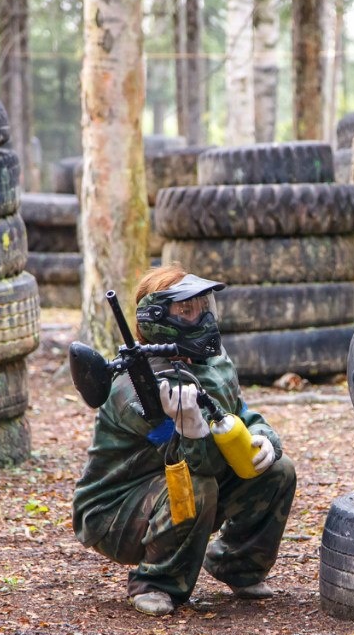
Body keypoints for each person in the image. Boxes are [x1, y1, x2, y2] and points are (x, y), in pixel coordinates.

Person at [72, 264, 297, 616]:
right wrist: (189, 428)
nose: (204, 318)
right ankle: (156, 583)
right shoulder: (136, 390)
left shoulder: (210, 363)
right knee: (195, 486)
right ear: (157, 318)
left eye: (204, 306)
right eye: (188, 311)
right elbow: (191, 464)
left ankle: (236, 565)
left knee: (276, 470)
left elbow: (240, 411)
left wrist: (262, 436)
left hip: (177, 480)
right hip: (115, 507)